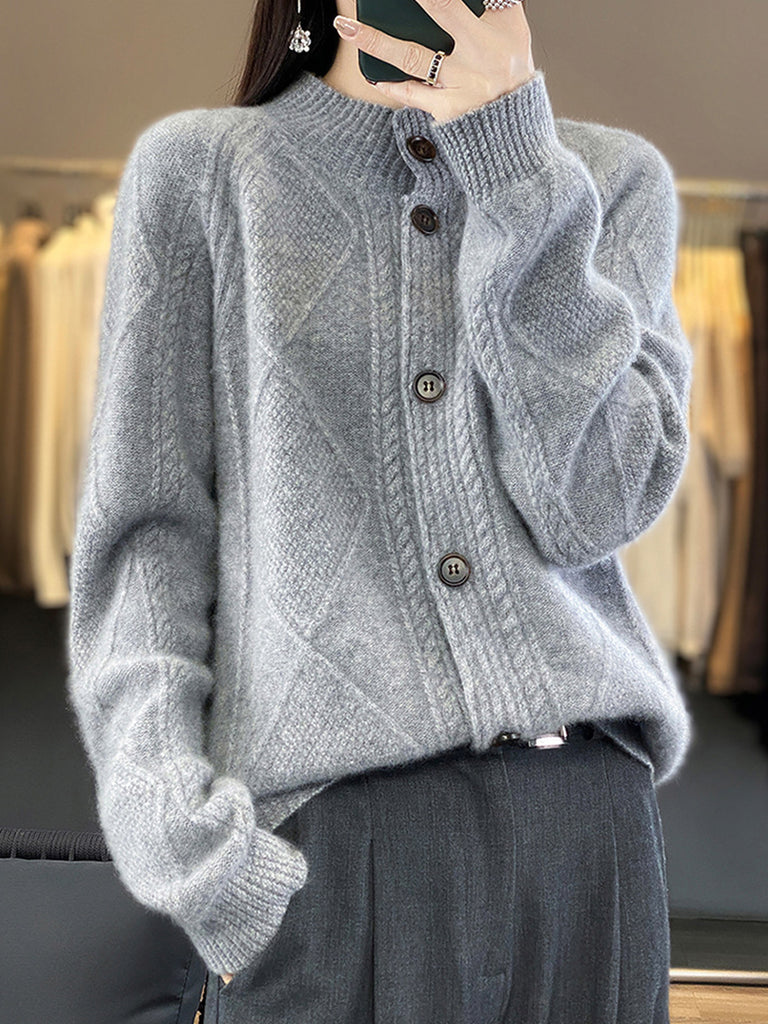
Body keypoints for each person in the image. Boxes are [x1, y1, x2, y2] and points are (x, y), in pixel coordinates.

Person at [66, 0, 694, 1020]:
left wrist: (515, 166)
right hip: (334, 851)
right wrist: (188, 846)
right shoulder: (204, 174)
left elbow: (595, 506)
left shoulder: (608, 182)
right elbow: (147, 541)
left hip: (589, 843)